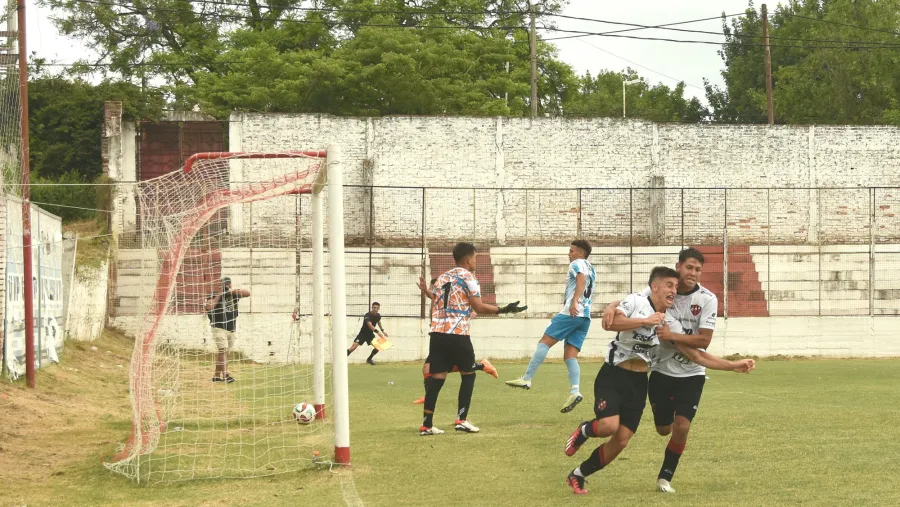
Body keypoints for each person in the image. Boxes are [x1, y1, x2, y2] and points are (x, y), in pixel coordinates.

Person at [563, 267, 754, 495]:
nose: (674, 291)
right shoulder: (636, 301)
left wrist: (734, 366)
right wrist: (641, 318)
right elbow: (612, 323)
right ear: (655, 286)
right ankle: (584, 430)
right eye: (669, 286)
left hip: (639, 382)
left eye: (675, 287)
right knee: (609, 426)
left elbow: (696, 355)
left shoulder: (667, 321)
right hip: (614, 375)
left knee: (621, 440)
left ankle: (578, 475)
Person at [601, 247, 737, 494]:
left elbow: (704, 341)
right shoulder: (665, 288)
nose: (693, 273)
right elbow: (632, 300)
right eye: (689, 268)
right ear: (679, 267)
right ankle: (669, 430)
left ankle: (665, 477)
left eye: (698, 270)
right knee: (664, 429)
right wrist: (611, 306)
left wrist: (671, 336)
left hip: (692, 372)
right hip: (661, 371)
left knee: (682, 425)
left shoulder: (707, 299)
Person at [421, 242, 526, 436]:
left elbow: (436, 300)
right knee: (468, 374)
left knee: (437, 379)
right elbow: (479, 307)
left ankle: (427, 425)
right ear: (468, 258)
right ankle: (461, 419)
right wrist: (503, 309)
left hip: (437, 334)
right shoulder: (468, 277)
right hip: (458, 333)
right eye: (475, 257)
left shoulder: (442, 277)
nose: (476, 261)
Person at [506, 240, 596, 413]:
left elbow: (581, 279)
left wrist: (575, 301)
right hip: (585, 317)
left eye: (571, 251)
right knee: (570, 355)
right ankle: (575, 391)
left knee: (545, 341)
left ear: (580, 253)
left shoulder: (577, 264)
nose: (568, 254)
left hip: (572, 312)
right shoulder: (591, 267)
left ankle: (527, 378)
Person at [413, 277, 498, 405]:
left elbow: (468, 310)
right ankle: (428, 396)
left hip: (453, 337)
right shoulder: (438, 300)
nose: (433, 291)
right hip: (440, 337)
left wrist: (468, 314)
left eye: (434, 288)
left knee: (433, 368)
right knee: (428, 368)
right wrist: (425, 290)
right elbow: (432, 296)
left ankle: (481, 366)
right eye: (432, 288)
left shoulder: (449, 299)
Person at [205, 277, 250, 383]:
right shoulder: (215, 294)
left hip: (231, 328)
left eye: (227, 285)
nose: (226, 287)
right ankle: (225, 375)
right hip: (219, 327)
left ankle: (216, 376)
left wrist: (233, 291)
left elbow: (248, 293)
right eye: (224, 286)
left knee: (225, 352)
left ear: (230, 285)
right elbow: (208, 307)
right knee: (223, 350)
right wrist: (220, 295)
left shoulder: (234, 294)